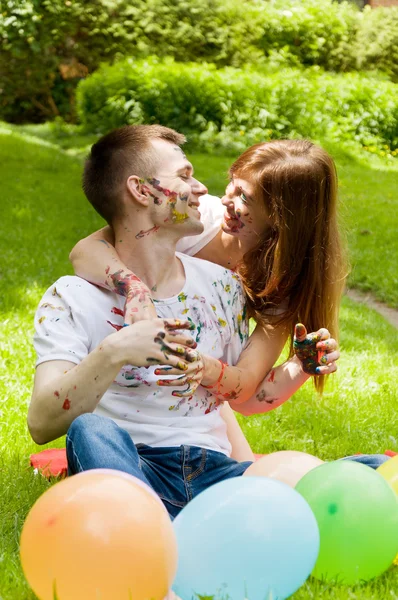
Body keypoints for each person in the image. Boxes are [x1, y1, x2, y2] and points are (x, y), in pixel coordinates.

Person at [28, 124, 342, 524]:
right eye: (188, 175)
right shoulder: (75, 294)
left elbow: (241, 391)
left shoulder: (237, 286)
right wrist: (130, 316)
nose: (210, 193)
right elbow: (89, 248)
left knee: (338, 473)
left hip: (207, 459)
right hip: (137, 458)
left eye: (244, 198)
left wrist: (295, 369)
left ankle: (188, 513)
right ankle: (149, 528)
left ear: (280, 221)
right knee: (91, 431)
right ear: (143, 190)